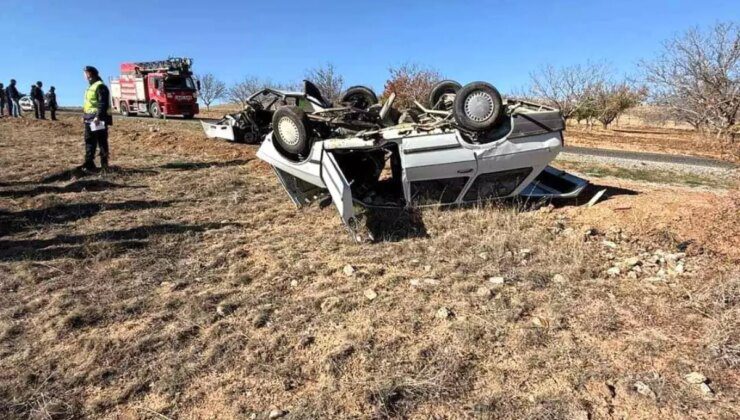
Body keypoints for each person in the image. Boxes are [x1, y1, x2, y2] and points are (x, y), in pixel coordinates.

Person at [81, 66, 112, 170]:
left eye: (85, 73)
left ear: (89, 74)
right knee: (89, 141)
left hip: (97, 120)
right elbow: (88, 104)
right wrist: (84, 116)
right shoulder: (90, 86)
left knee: (101, 141)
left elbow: (102, 103)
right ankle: (89, 163)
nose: (84, 76)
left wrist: (98, 116)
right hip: (89, 119)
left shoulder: (100, 86)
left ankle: (104, 165)